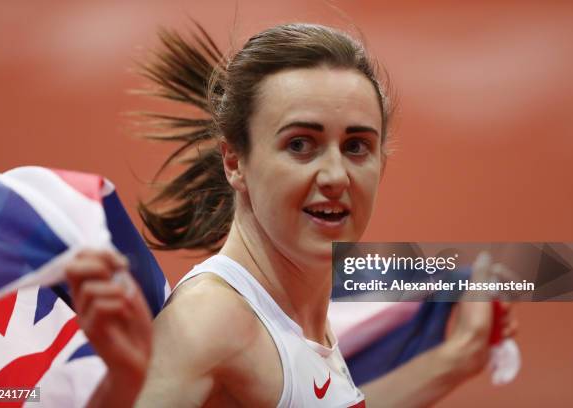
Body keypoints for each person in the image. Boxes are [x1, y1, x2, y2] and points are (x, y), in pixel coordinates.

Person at [66, 22, 517, 407]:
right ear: (234, 162)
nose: (336, 175)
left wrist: (460, 355)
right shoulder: (212, 322)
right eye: (300, 144)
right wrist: (121, 386)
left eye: (357, 146)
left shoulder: (292, 316)